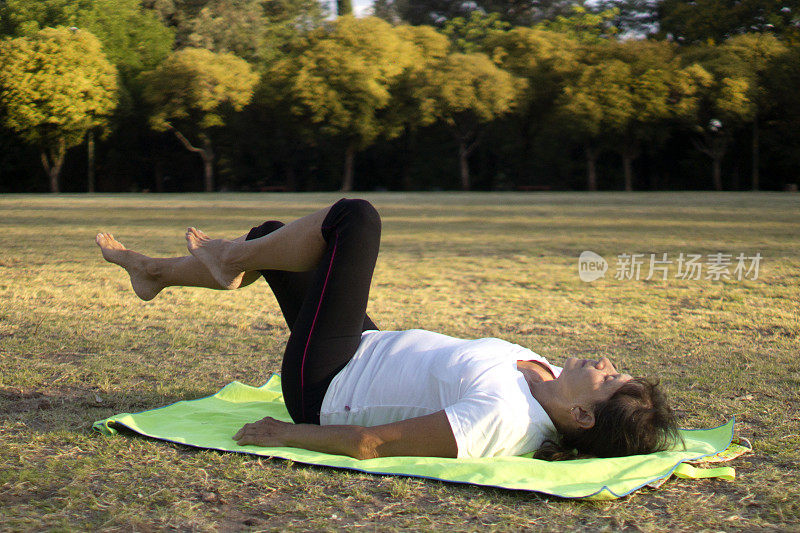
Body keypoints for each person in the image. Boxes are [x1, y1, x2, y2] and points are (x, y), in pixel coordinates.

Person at [95, 198, 681, 460]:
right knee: (276, 238)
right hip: (363, 348)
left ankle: (228, 258)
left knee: (356, 220)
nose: (604, 361)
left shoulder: (506, 420)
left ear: (582, 415)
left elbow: (373, 444)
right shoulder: (547, 377)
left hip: (328, 384)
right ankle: (154, 273)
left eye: (609, 378)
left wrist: (285, 433)